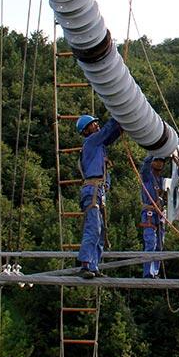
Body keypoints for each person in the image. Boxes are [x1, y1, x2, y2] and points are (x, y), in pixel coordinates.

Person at [75, 114, 122, 279]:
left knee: (101, 231)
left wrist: (123, 126)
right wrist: (120, 112)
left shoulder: (99, 146)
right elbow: (109, 129)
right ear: (86, 130)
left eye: (96, 123)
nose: (97, 126)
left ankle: (93, 266)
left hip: (98, 191)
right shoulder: (92, 141)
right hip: (92, 190)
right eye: (93, 124)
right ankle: (85, 265)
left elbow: (112, 134)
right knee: (93, 228)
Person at [139, 155, 167, 278]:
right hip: (149, 214)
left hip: (159, 215)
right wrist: (154, 150)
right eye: (157, 160)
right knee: (150, 242)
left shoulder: (162, 180)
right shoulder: (147, 177)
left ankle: (155, 272)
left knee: (160, 245)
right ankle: (148, 273)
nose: (160, 163)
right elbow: (144, 166)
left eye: (162, 161)